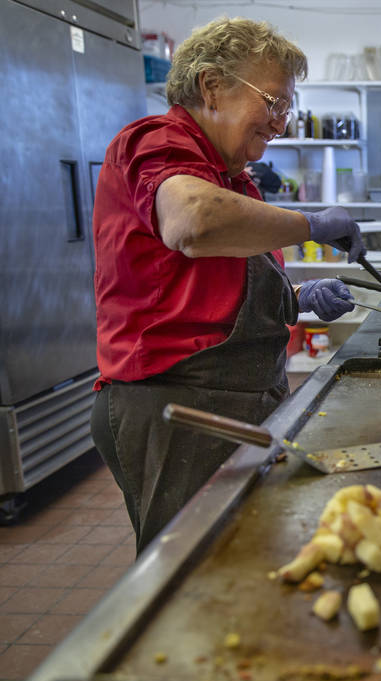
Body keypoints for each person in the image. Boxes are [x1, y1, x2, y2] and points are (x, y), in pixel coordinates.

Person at [90, 17, 364, 554]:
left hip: (233, 402)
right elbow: (194, 224)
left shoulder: (230, 177)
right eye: (274, 102)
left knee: (244, 560)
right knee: (197, 578)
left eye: (288, 107)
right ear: (212, 86)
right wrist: (311, 225)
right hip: (178, 409)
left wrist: (296, 299)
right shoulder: (157, 143)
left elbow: (210, 287)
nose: (281, 123)